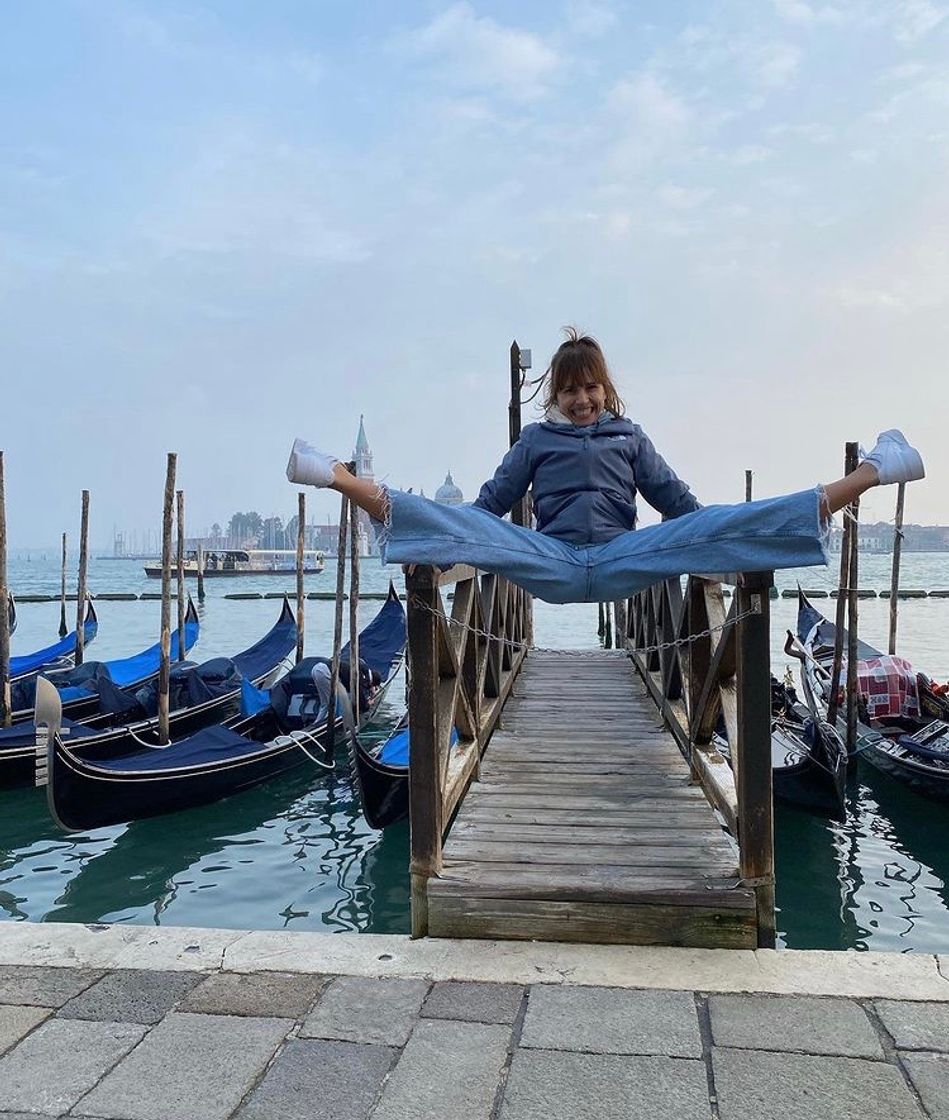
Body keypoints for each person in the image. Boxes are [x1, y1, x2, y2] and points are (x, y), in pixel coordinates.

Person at [285, 329, 925, 605]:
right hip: (552, 561)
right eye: (569, 390)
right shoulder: (535, 440)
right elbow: (490, 505)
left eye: (591, 388)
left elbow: (678, 503)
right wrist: (459, 541)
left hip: (624, 558)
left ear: (606, 390)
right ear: (554, 396)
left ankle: (874, 469)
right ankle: (336, 474)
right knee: (464, 523)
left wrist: (714, 538)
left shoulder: (630, 437)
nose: (581, 399)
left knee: (719, 521)